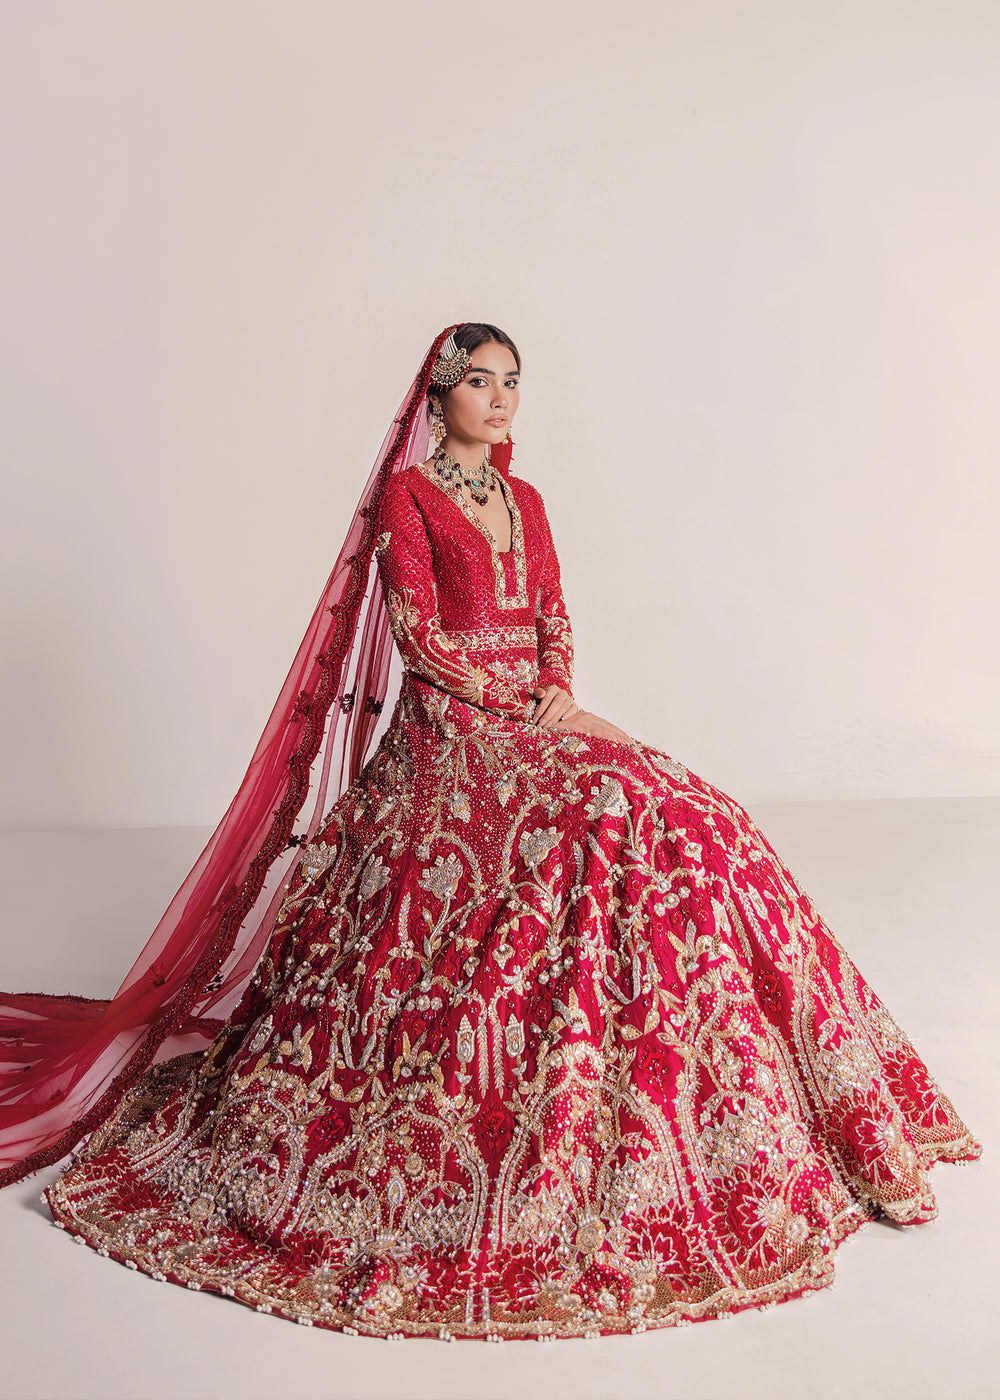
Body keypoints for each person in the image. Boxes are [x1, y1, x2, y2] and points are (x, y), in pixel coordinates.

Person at [1, 323, 980, 1342]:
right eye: (480, 380)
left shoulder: (528, 500)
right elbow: (419, 640)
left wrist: (557, 692)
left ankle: (781, 1104)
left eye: (513, 381)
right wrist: (517, 704)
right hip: (451, 731)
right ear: (438, 395)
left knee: (699, 813)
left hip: (536, 717)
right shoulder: (409, 497)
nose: (501, 398)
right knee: (608, 810)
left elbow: (554, 612)